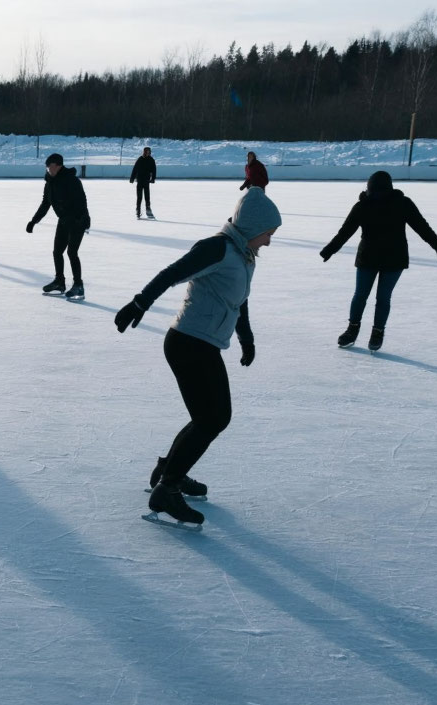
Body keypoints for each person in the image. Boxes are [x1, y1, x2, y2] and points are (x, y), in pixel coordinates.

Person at [113, 187, 282, 527]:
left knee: (206, 417)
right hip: (188, 344)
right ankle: (167, 489)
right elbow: (172, 273)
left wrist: (245, 338)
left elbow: (239, 300)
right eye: (268, 234)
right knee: (213, 418)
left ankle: (167, 471)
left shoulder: (242, 256)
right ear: (253, 227)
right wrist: (139, 302)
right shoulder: (216, 248)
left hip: (202, 344)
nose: (268, 241)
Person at [319, 171, 437, 352]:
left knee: (375, 297)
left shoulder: (401, 204)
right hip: (372, 258)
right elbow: (346, 231)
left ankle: (370, 331)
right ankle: (358, 330)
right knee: (367, 296)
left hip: (391, 259)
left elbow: (420, 225)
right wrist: (329, 250)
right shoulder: (364, 206)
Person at [26, 152, 91, 301]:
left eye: (51, 166)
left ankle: (78, 286)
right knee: (57, 252)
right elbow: (45, 204)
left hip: (77, 220)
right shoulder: (49, 183)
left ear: (59, 166)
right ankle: (59, 282)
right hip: (63, 221)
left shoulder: (71, 180)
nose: (48, 168)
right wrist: (33, 221)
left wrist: (83, 219)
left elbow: (82, 201)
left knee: (72, 252)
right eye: (47, 166)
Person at [130, 146, 157, 219]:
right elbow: (135, 169)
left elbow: (154, 170)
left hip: (146, 181)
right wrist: (132, 178)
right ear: (144, 152)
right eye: (146, 152)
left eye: (149, 152)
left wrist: (153, 179)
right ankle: (138, 210)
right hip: (139, 180)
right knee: (139, 197)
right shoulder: (140, 159)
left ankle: (148, 209)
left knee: (147, 197)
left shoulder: (151, 160)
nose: (148, 153)